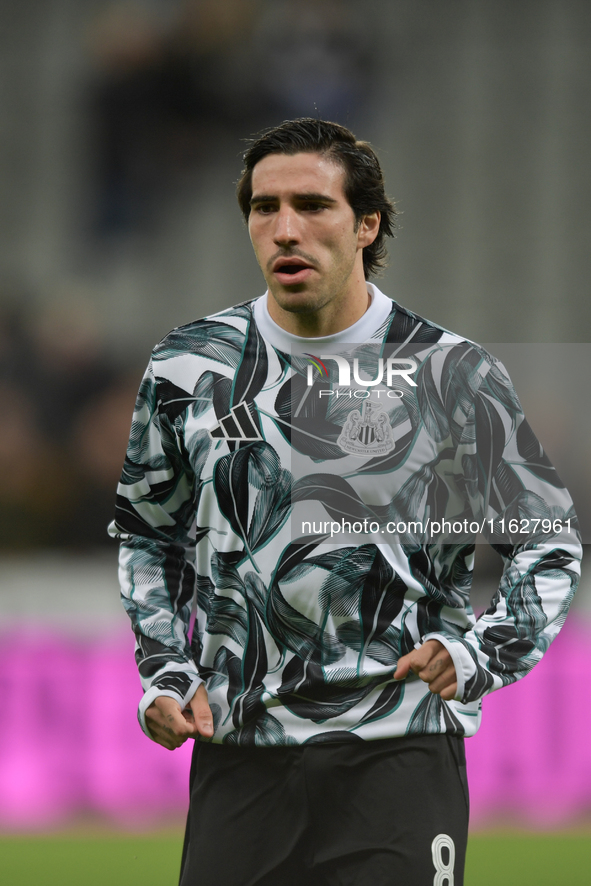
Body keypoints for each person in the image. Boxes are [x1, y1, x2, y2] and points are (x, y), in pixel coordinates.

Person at [109, 118, 582, 886]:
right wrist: (166, 668)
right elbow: (145, 534)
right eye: (264, 208)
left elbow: (547, 543)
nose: (284, 229)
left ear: (366, 224)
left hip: (396, 752)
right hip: (241, 752)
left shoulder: (449, 373)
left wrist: (480, 652)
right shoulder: (190, 366)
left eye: (311, 205)